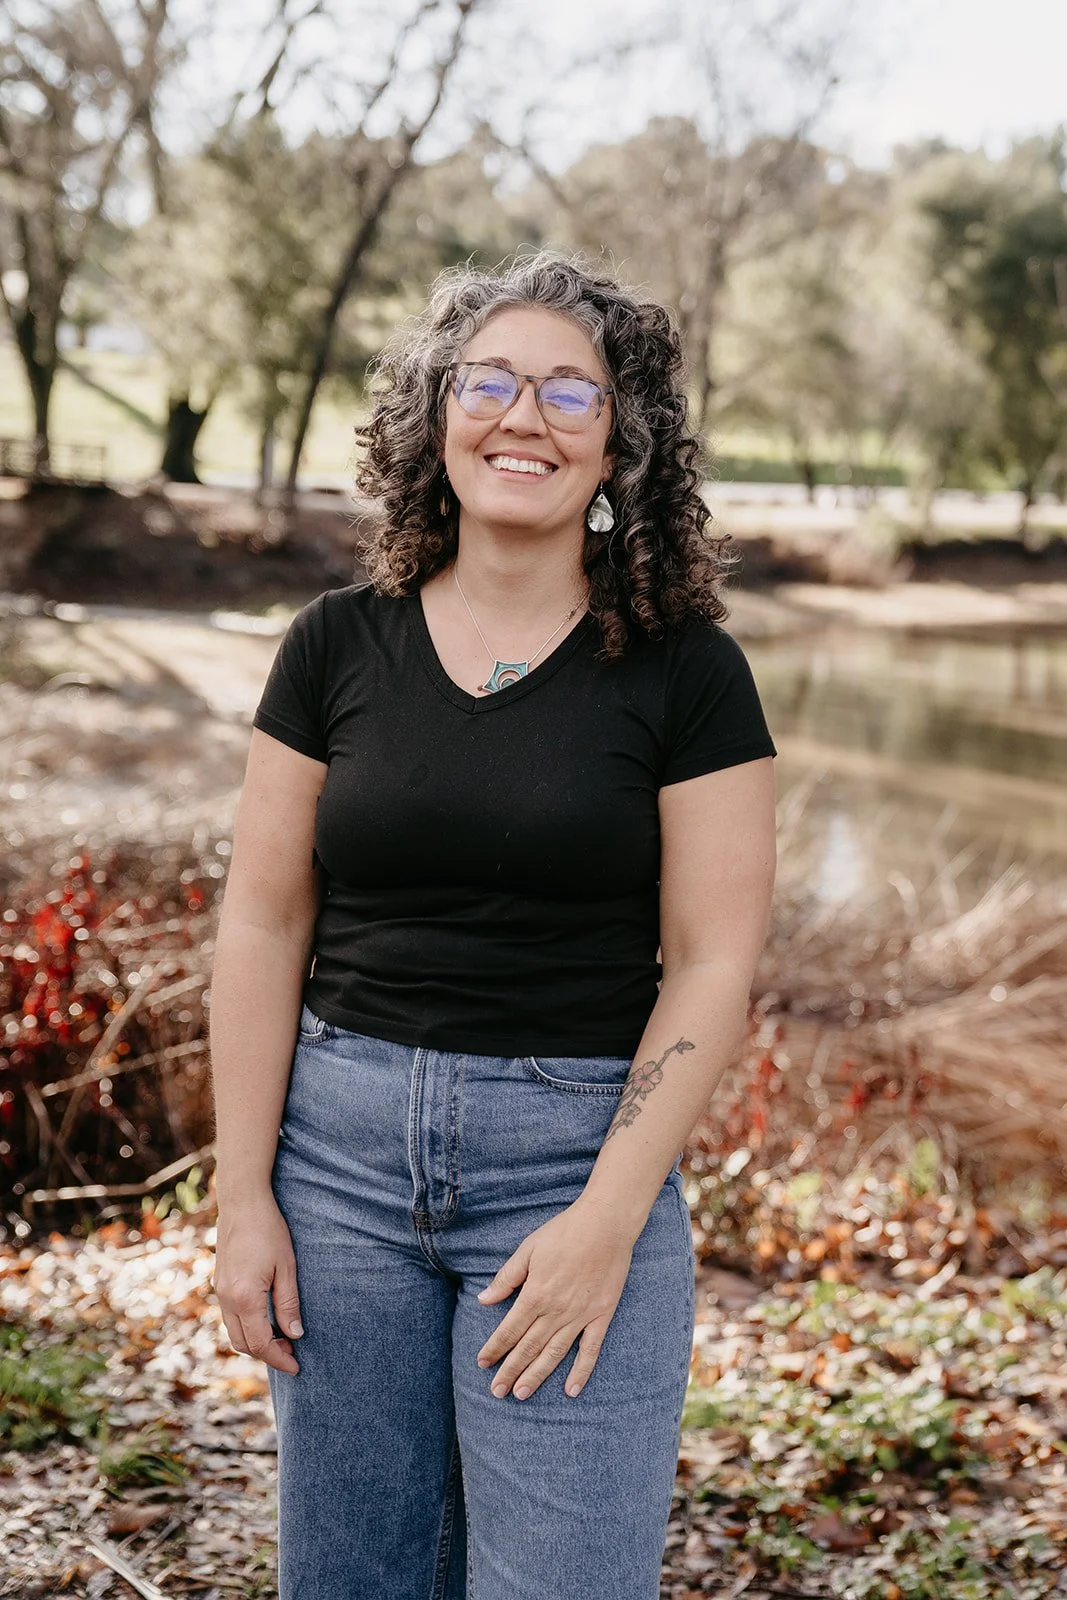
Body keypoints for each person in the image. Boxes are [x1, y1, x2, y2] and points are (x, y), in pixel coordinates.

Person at [209, 250, 777, 1600]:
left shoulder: (690, 674)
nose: (522, 416)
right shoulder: (333, 647)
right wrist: (241, 1195)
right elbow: (261, 924)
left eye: (569, 393)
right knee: (353, 1578)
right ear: (434, 418)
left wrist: (606, 1221)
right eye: (491, 381)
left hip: (571, 1169)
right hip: (334, 1175)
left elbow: (711, 962)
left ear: (621, 448)